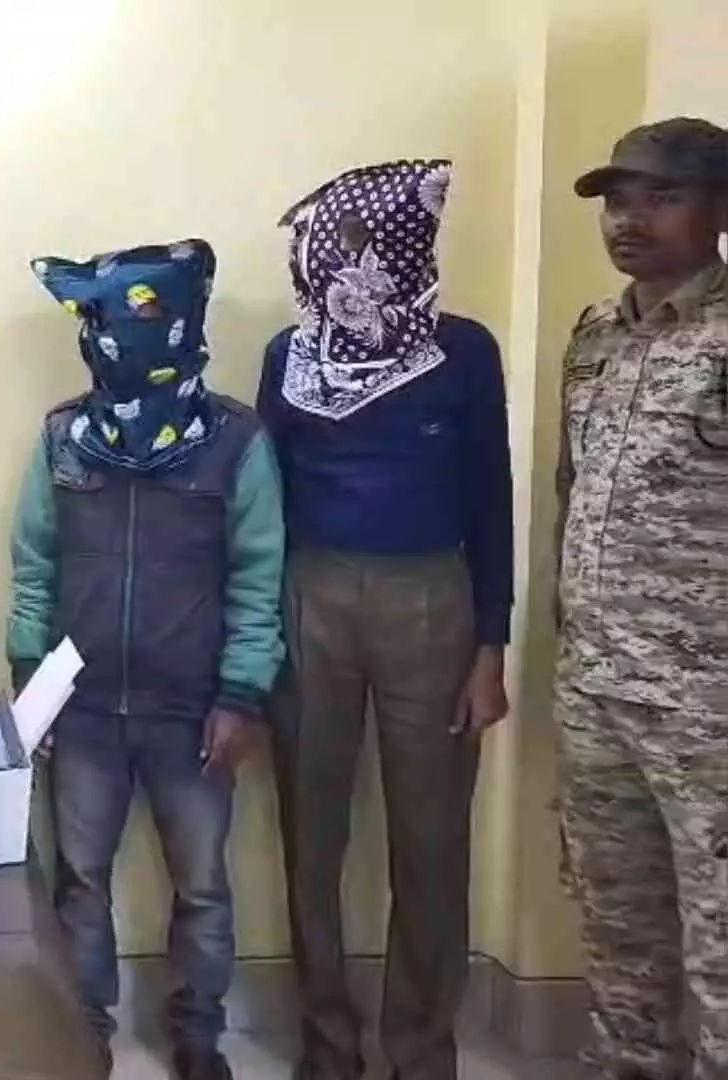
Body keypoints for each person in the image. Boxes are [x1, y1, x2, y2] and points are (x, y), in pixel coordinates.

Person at [255, 159, 513, 1080]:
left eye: (369, 241)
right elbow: (264, 500)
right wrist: (259, 634)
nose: (349, 263)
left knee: (432, 836)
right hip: (309, 594)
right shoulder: (289, 355)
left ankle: (421, 1047)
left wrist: (491, 645)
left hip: (432, 600)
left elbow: (492, 495)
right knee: (310, 830)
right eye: (335, 242)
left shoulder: (464, 351)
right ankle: (327, 1045)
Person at [7, 240, 285, 1080]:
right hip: (83, 709)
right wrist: (29, 688)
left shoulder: (235, 441)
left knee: (201, 885)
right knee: (79, 883)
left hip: (194, 709)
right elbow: (33, 566)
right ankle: (83, 1032)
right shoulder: (63, 437)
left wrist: (241, 694)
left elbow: (259, 575)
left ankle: (198, 1037)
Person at [554, 117, 728, 1080]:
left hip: (708, 710)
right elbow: (571, 493)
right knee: (619, 938)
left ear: (720, 208)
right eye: (618, 199)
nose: (629, 218)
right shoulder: (593, 337)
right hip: (597, 694)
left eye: (662, 196)